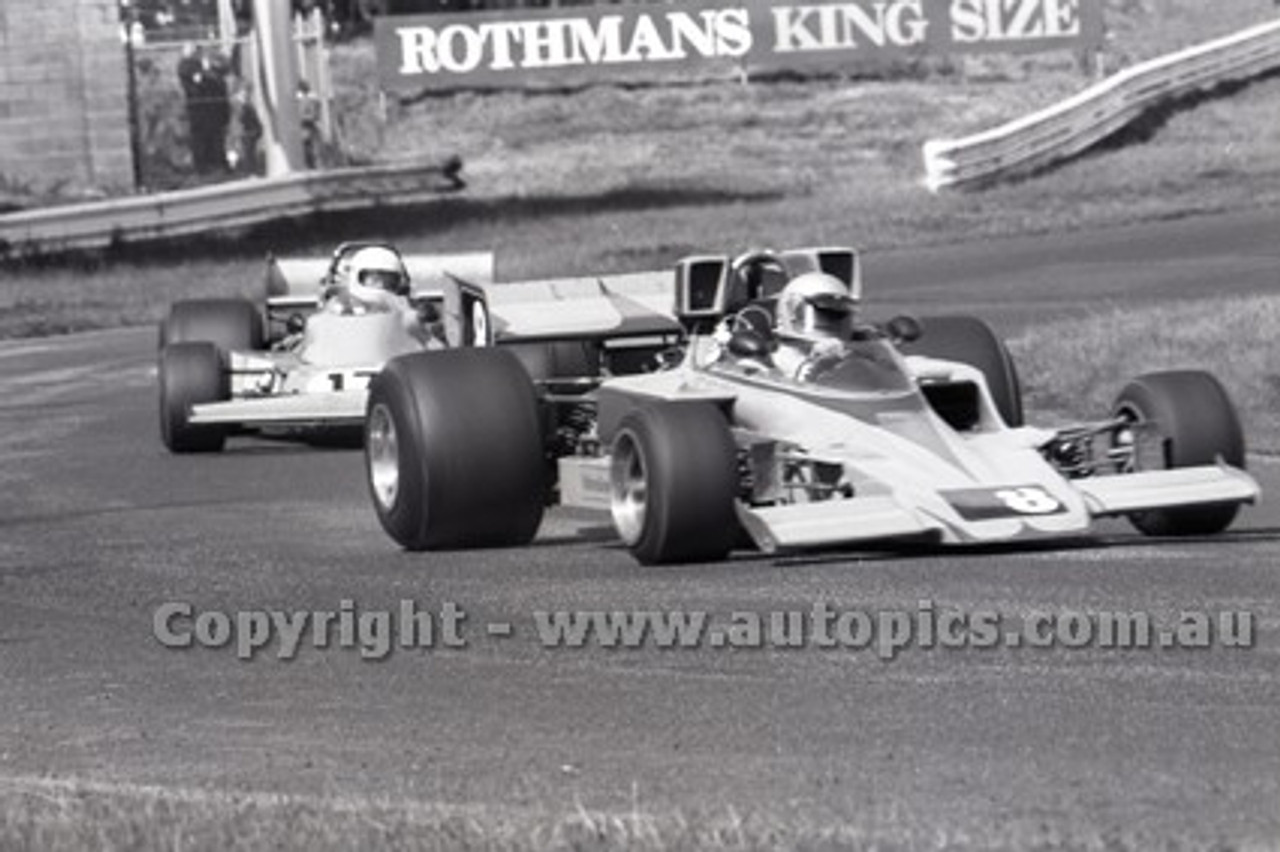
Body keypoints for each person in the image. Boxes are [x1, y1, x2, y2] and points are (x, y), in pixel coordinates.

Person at [770, 272, 858, 380]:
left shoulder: (846, 352)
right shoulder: (783, 356)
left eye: (837, 316)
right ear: (792, 313)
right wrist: (819, 365)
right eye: (823, 316)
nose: (830, 322)